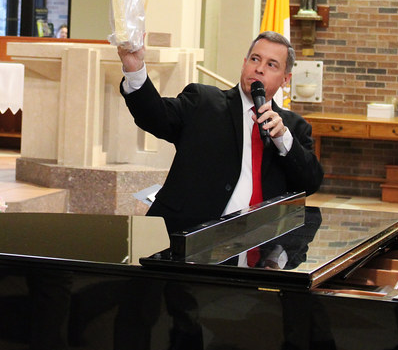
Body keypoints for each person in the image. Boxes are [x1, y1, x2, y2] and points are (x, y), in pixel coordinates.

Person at [118, 31, 323, 234]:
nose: (259, 69)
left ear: (286, 79)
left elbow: (310, 182)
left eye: (271, 65)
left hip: (259, 245)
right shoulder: (203, 102)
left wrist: (283, 140)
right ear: (244, 64)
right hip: (191, 237)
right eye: (255, 59)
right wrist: (134, 70)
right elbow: (154, 116)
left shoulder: (294, 128)